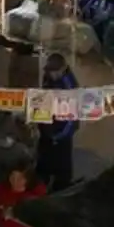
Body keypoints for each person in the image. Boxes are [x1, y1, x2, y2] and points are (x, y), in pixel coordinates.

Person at [36, 53, 78, 191]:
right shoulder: (48, 78)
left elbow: (72, 119)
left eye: (54, 71)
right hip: (46, 128)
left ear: (62, 68)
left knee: (62, 165)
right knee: (43, 162)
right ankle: (40, 185)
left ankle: (61, 188)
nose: (51, 74)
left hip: (61, 134)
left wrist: (58, 135)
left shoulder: (70, 86)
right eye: (49, 71)